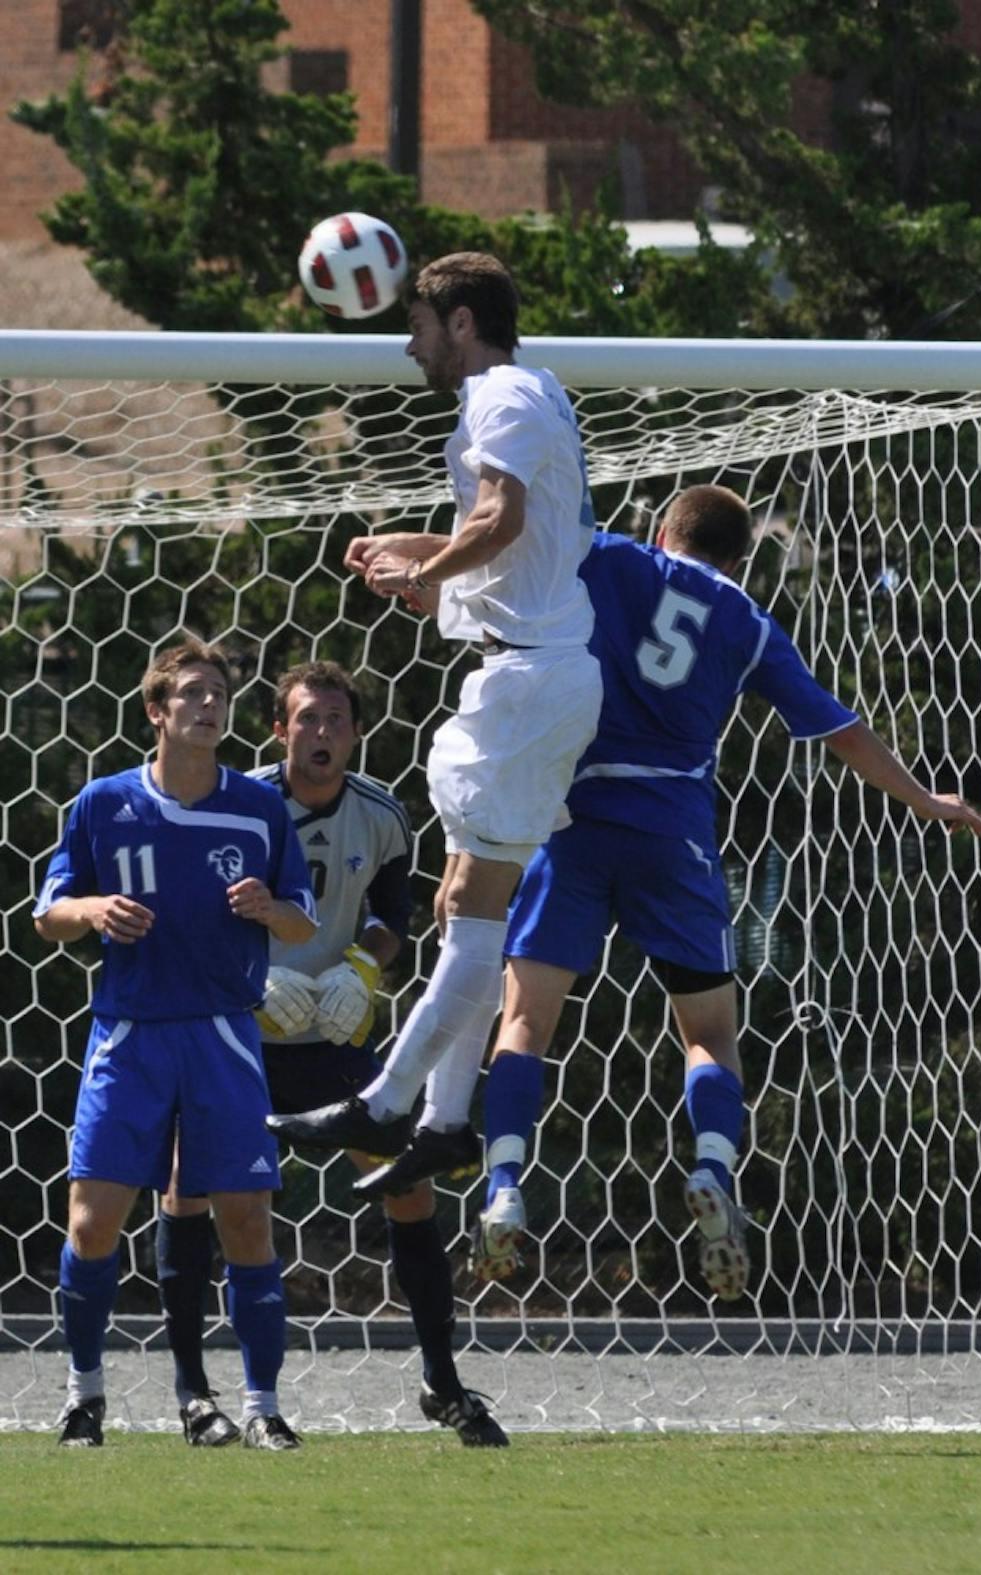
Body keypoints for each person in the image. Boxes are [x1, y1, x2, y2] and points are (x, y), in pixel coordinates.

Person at [466, 485, 981, 1292]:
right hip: (672, 829)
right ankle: (713, 1165)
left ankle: (503, 1186)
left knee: (525, 1020)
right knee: (709, 1030)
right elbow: (839, 727)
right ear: (738, 557)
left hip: (572, 817)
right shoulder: (747, 620)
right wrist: (925, 799)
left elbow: (506, 542)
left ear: (662, 529)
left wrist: (416, 562)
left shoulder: (612, 557)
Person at [268, 252, 603, 1202]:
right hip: (527, 674)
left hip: (532, 680)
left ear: (460, 322)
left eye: (418, 327)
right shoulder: (522, 397)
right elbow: (511, 540)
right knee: (465, 906)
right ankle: (446, 1123)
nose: (413, 347)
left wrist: (431, 570)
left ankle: (387, 1100)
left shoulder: (501, 394)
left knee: (475, 912)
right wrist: (408, 551)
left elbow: (497, 522)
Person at [157, 660, 508, 1448]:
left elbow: (393, 918)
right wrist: (255, 979)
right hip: (242, 1032)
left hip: (340, 1033)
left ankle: (442, 1384)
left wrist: (363, 966)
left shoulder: (384, 815)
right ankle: (193, 1393)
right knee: (195, 1189)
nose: (322, 733)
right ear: (279, 731)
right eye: (306, 719)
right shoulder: (233, 805)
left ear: (355, 732)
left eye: (336, 720)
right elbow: (194, 916)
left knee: (409, 1191)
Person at [33, 638, 318, 1448]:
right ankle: (84, 1396)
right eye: (191, 693)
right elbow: (44, 914)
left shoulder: (260, 808)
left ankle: (264, 1408)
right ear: (157, 710)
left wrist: (269, 906)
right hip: (129, 1034)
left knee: (248, 1225)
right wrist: (91, 911)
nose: (208, 706)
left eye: (218, 694)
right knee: (91, 1223)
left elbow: (302, 919)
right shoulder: (103, 802)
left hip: (225, 1035)